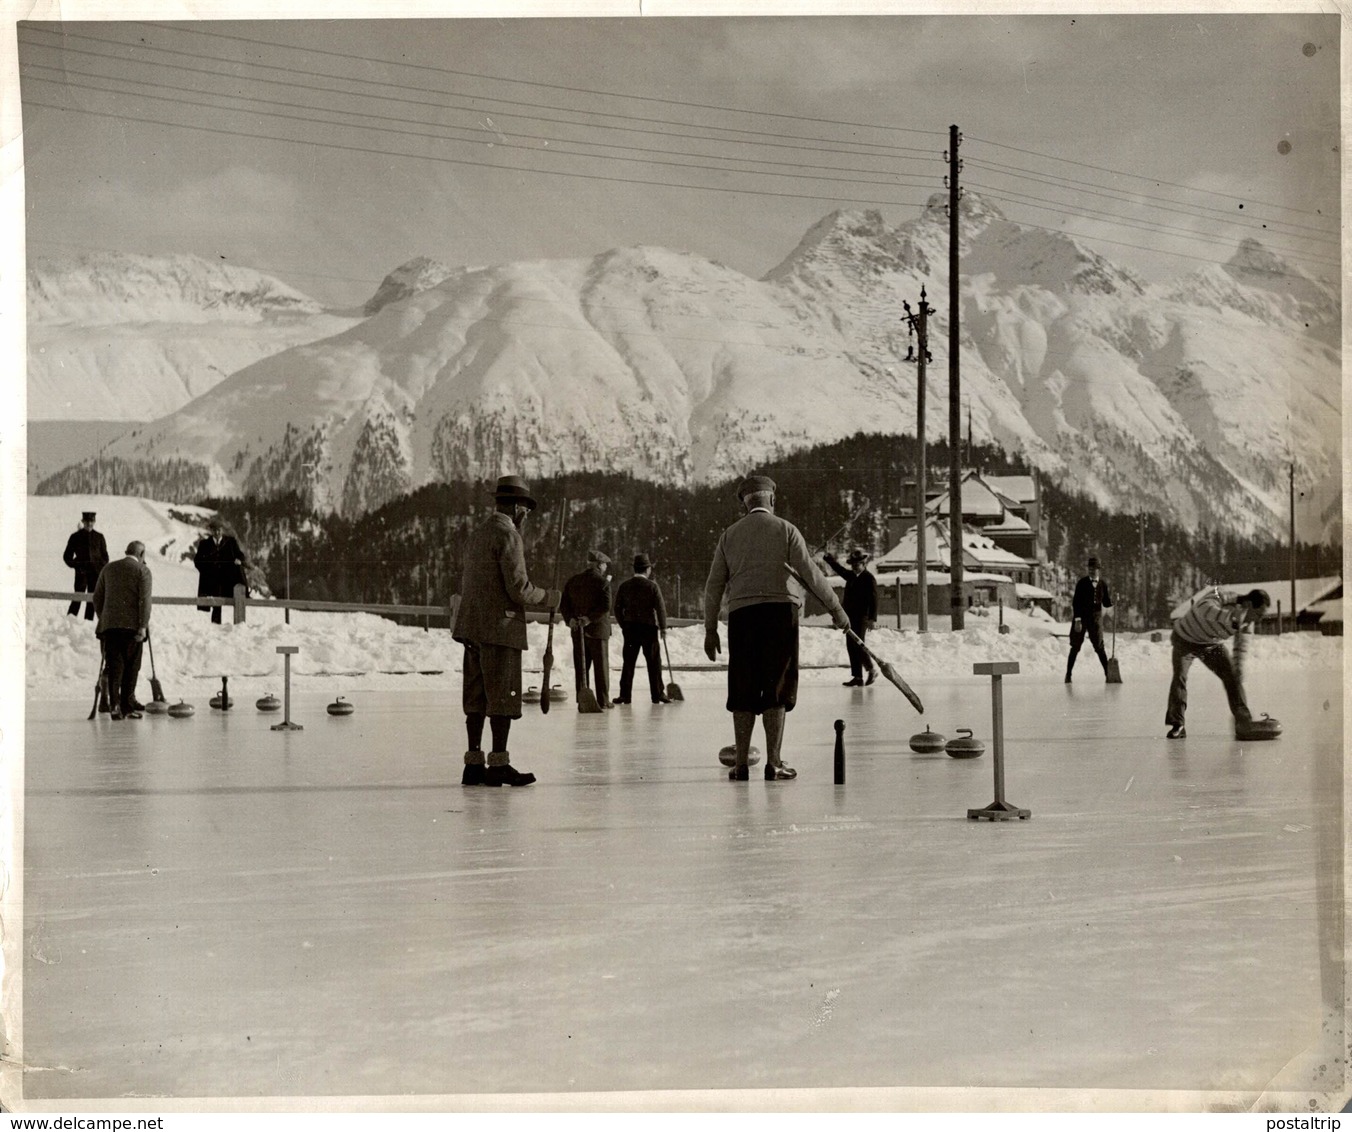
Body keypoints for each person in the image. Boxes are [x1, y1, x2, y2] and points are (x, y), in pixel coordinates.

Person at [704, 474, 852, 781]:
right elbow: (811, 575)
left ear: (745, 504)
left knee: (743, 687)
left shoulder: (729, 535)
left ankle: (741, 764)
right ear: (771, 499)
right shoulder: (786, 530)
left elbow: (714, 586)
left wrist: (710, 629)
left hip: (742, 615)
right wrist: (836, 609)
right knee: (777, 686)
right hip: (780, 615)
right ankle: (774, 762)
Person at [452, 475, 561, 786]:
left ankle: (473, 763)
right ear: (516, 507)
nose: (526, 516)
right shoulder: (509, 536)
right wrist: (550, 597)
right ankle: (498, 763)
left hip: (472, 628)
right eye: (525, 510)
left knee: (476, 698)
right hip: (500, 629)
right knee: (501, 697)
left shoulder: (477, 535)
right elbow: (519, 590)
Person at [1166, 587, 1278, 740]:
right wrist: (1230, 617)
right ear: (1249, 604)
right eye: (1258, 614)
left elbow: (1241, 648)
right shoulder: (1224, 596)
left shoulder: (1247, 623)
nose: (1258, 619)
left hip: (1210, 645)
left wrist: (1238, 667)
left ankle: (1243, 722)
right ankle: (1177, 724)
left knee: (1232, 676)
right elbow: (1202, 608)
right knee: (1180, 677)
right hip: (1184, 638)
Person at [93, 540, 152, 720]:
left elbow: (97, 598)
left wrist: (105, 618)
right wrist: (142, 627)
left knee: (114, 666)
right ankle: (126, 707)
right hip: (132, 628)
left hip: (110, 628)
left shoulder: (108, 568)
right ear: (141, 554)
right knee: (131, 667)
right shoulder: (143, 571)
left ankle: (114, 706)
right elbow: (145, 601)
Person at [613, 552, 671, 705]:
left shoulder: (624, 586)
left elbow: (617, 608)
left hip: (631, 629)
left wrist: (624, 625)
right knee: (653, 662)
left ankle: (625, 695)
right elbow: (661, 608)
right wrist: (663, 628)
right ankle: (657, 693)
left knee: (629, 662)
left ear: (635, 569)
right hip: (648, 629)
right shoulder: (652, 586)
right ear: (647, 570)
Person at [560, 549, 614, 708]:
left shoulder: (573, 581)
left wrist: (570, 619)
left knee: (581, 667)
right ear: (599, 565)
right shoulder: (603, 582)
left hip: (578, 630)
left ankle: (582, 700)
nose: (605, 567)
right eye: (604, 564)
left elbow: (564, 604)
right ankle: (603, 701)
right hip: (597, 631)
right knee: (601, 668)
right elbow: (606, 606)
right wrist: (590, 619)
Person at [822, 547, 878, 686]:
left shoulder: (869, 579)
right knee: (851, 646)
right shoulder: (851, 576)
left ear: (863, 564)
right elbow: (839, 569)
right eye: (852, 565)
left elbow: (874, 600)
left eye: (857, 565)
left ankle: (871, 670)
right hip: (849, 616)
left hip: (862, 617)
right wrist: (828, 558)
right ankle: (857, 677)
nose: (854, 568)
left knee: (858, 644)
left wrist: (872, 619)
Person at [1065, 556, 1113, 682]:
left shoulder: (1103, 585)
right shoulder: (1082, 583)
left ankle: (1108, 674)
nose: (1092, 571)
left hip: (1096, 620)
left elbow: (1106, 602)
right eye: (1090, 569)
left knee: (1099, 647)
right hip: (1080, 618)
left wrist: (1114, 602)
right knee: (1075, 646)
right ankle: (1068, 675)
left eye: (1094, 569)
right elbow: (1076, 603)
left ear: (1099, 570)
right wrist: (1077, 620)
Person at [194, 519, 249, 625]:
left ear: (222, 530)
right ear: (211, 531)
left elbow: (240, 555)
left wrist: (239, 560)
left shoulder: (231, 542)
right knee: (215, 603)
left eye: (219, 530)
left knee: (236, 599)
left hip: (228, 579)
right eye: (214, 530)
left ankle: (238, 627)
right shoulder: (204, 544)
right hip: (212, 580)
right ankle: (216, 627)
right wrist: (206, 571)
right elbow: (197, 561)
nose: (217, 533)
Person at [63, 510, 109, 620]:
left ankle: (88, 622)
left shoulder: (99, 537)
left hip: (95, 574)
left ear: (94, 522)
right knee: (78, 597)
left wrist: (98, 566)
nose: (89, 524)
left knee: (92, 599)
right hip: (81, 573)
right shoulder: (75, 537)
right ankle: (70, 621)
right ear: (83, 521)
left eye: (92, 521)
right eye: (87, 521)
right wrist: (78, 565)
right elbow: (67, 556)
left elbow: (105, 557)